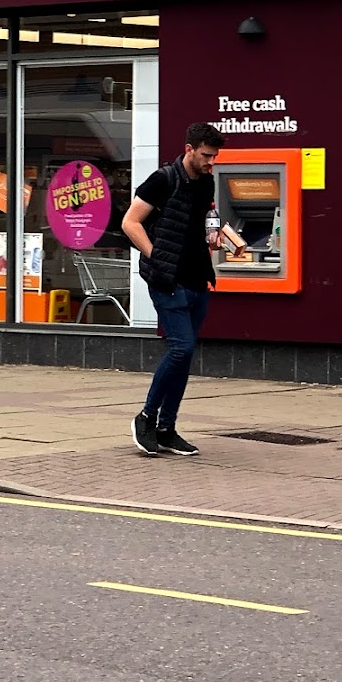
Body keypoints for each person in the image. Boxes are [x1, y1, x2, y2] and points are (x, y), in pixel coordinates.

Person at [121, 122, 226, 457]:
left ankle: (167, 429)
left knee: (186, 354)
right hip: (168, 280)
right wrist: (158, 257)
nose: (211, 161)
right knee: (181, 349)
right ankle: (146, 417)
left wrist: (214, 235)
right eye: (206, 155)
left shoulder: (206, 181)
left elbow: (205, 218)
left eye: (214, 155)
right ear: (189, 150)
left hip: (198, 279)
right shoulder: (162, 179)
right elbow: (130, 222)